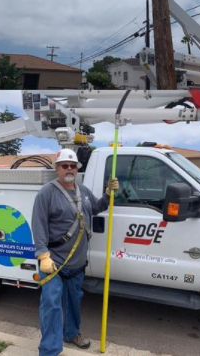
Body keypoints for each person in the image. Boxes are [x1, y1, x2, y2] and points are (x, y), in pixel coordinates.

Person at [32, 149, 120, 355]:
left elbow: (96, 208)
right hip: (53, 263)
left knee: (73, 303)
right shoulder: (47, 193)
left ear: (78, 169)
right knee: (52, 306)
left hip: (77, 265)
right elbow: (38, 225)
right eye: (65, 166)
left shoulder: (83, 191)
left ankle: (71, 333)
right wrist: (43, 255)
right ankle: (49, 350)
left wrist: (108, 193)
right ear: (57, 169)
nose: (69, 169)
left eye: (73, 166)